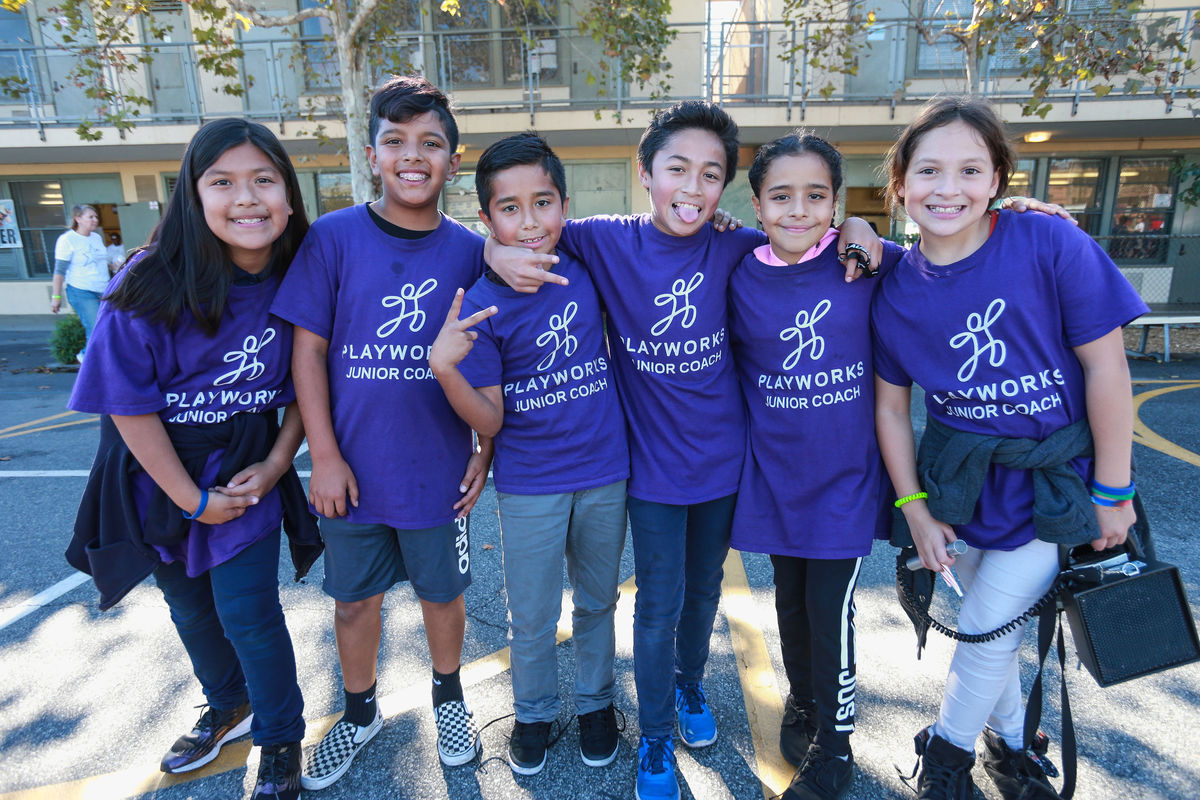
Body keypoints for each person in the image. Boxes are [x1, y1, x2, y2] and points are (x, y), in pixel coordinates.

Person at [486, 101, 883, 800]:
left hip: (726, 465)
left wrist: (857, 222)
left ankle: (692, 685)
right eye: (676, 170)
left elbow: (819, 243)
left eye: (710, 175)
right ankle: (658, 738)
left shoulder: (735, 246)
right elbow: (521, 224)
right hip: (652, 471)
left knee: (705, 593)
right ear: (645, 173)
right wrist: (489, 248)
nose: (692, 190)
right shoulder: (604, 240)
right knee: (657, 603)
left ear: (728, 188)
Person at [871, 96, 1148, 800]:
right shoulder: (893, 286)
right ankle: (1016, 748)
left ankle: (945, 762)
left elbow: (1107, 369)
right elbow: (893, 409)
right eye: (929, 170)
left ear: (998, 178)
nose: (949, 188)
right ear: (900, 182)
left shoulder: (1050, 242)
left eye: (971, 169)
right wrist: (914, 509)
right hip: (959, 485)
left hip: (1052, 480)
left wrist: (1113, 491)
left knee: (987, 628)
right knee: (998, 630)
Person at [65, 118, 322, 800]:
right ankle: (227, 702)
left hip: (244, 465)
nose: (247, 198)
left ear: (289, 196)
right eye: (223, 182)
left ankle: (279, 742)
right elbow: (126, 406)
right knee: (188, 608)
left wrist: (273, 467)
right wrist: (188, 498)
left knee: (250, 612)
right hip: (156, 471)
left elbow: (310, 381)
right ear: (194, 196)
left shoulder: (305, 273)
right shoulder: (152, 280)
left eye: (264, 180)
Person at [270, 75, 490, 790]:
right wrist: (322, 456)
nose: (412, 155)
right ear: (372, 155)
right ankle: (358, 711)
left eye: (431, 143)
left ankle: (449, 697)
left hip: (436, 470)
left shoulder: (471, 249)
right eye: (395, 141)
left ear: (455, 161)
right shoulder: (334, 237)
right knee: (355, 601)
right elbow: (307, 352)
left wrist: (485, 448)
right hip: (351, 472)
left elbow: (493, 358)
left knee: (441, 595)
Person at [429, 132, 630, 777]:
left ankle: (598, 703)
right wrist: (447, 371)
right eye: (508, 209)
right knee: (533, 614)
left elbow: (658, 231)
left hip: (605, 469)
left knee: (598, 601)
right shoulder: (481, 299)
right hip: (531, 481)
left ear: (564, 206)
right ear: (486, 219)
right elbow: (490, 418)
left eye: (542, 202)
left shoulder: (586, 261)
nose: (529, 220)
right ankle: (535, 711)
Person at [728, 131, 908, 800]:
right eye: (781, 196)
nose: (798, 210)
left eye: (816, 196)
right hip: (776, 477)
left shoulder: (868, 263)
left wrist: (1031, 217)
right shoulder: (739, 270)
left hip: (845, 480)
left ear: (836, 202)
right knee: (793, 602)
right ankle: (805, 701)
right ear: (756, 204)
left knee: (832, 611)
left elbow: (952, 261)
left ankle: (836, 749)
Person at [51, 203, 109, 362]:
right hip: (81, 290)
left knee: (109, 326)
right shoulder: (67, 240)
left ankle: (98, 360)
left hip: (103, 288)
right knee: (97, 327)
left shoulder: (97, 237)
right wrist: (56, 297)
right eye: (90, 217)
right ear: (78, 219)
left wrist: (115, 265)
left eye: (96, 216)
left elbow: (101, 262)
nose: (95, 220)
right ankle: (86, 358)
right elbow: (59, 271)